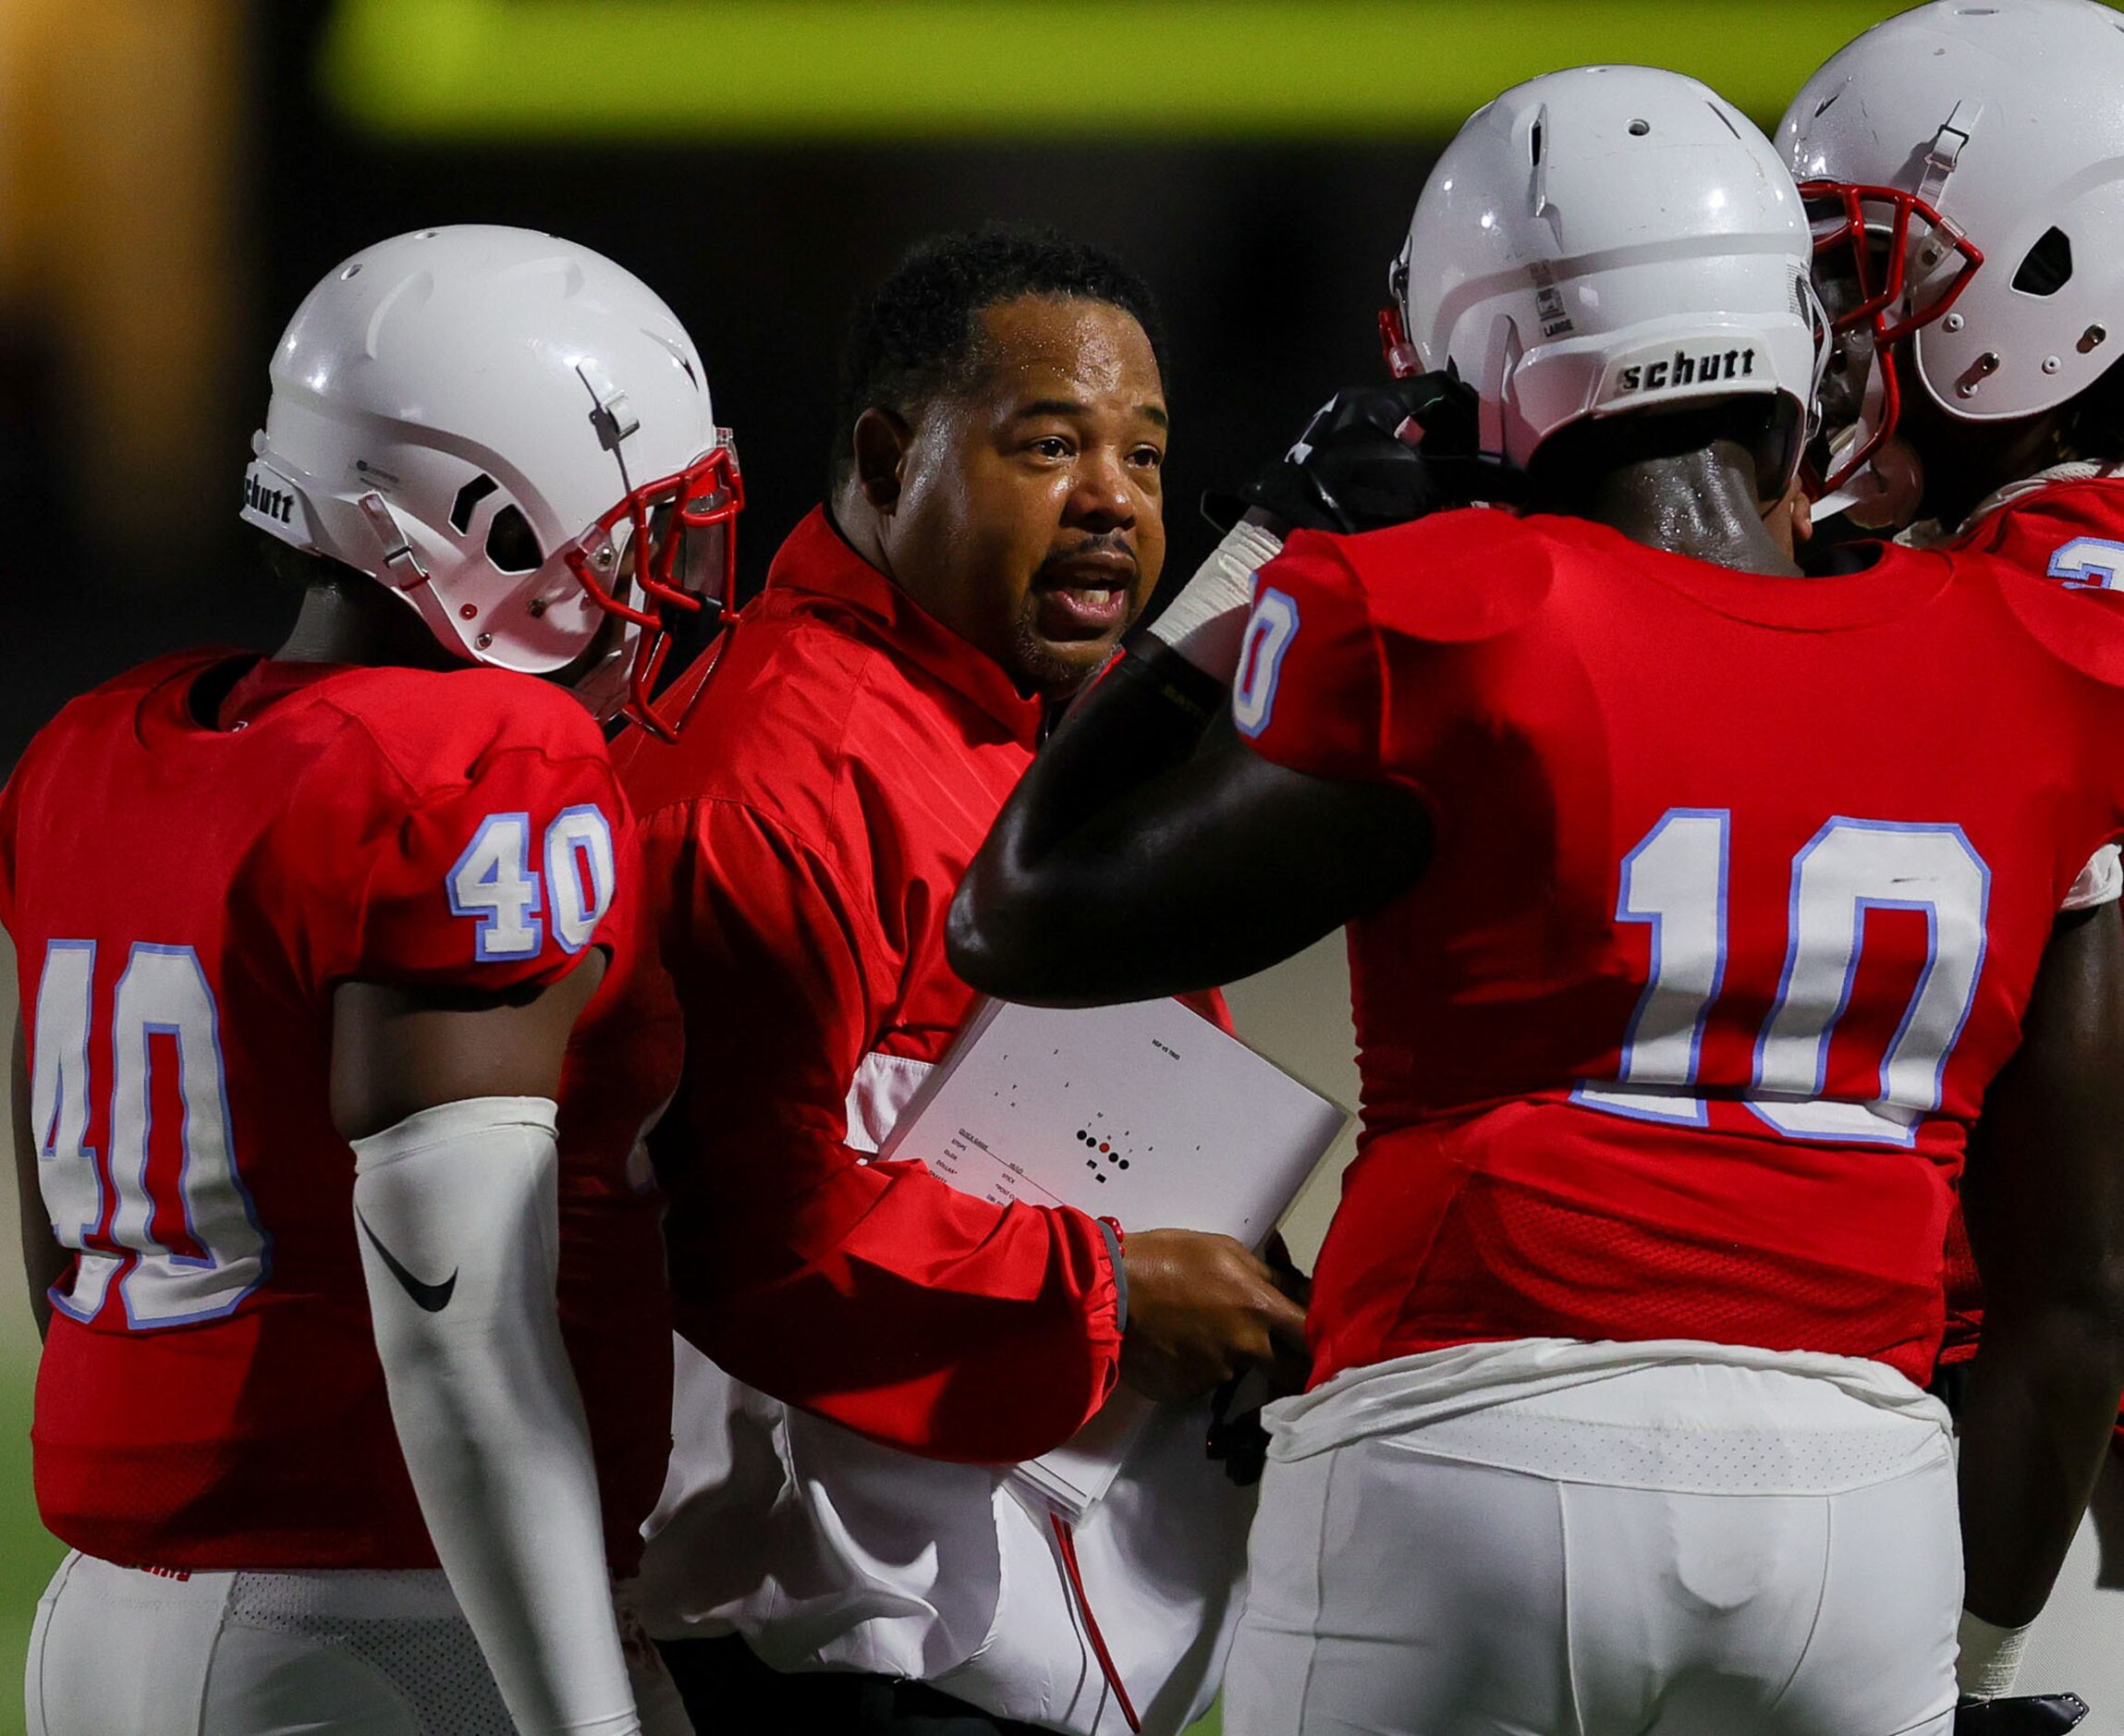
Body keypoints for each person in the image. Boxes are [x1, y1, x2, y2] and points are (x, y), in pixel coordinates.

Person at [951, 69, 2124, 1736]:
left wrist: (1260, 550)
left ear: (1470, 365)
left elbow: (1022, 911)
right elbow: (2074, 1285)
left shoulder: (1446, 609)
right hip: (1857, 1498)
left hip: (1475, 1420)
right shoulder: (2021, 650)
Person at [6, 224, 733, 1736]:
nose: (655, 581)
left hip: (96, 1614)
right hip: (372, 1620)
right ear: (494, 526)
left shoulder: (94, 748)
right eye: (632, 528)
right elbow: (459, 1320)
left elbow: (63, 1256)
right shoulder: (476, 765)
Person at [614, 226, 1308, 1736]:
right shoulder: (774, 775)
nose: (1114, 497)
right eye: (1047, 443)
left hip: (968, 1599)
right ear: (884, 456)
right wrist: (1115, 1294)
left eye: (1141, 451)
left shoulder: (993, 713)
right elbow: (752, 1238)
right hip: (832, 1635)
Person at [1783, 0, 2124, 1717]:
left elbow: (2075, 1273)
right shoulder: (2013, 574)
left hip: (2030, 1468)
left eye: (1871, 275)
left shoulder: (2016, 614)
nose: (1831, 332)